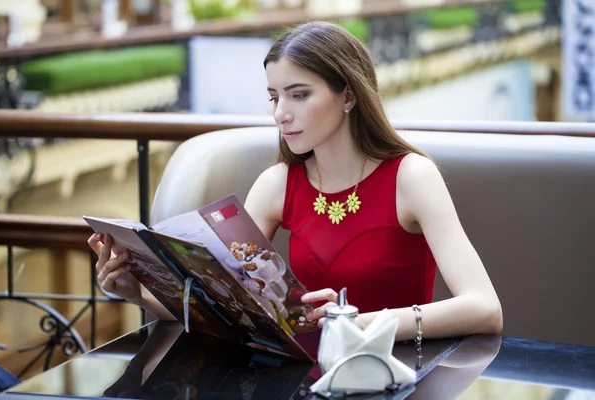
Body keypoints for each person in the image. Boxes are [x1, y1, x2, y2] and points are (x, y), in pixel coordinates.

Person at [88, 21, 502, 343]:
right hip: (307, 378)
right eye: (274, 97)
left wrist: (355, 323)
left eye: (299, 95)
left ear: (348, 95)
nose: (280, 113)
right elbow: (229, 310)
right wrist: (136, 294)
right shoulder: (277, 184)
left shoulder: (411, 176)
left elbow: (485, 309)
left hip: (394, 374)